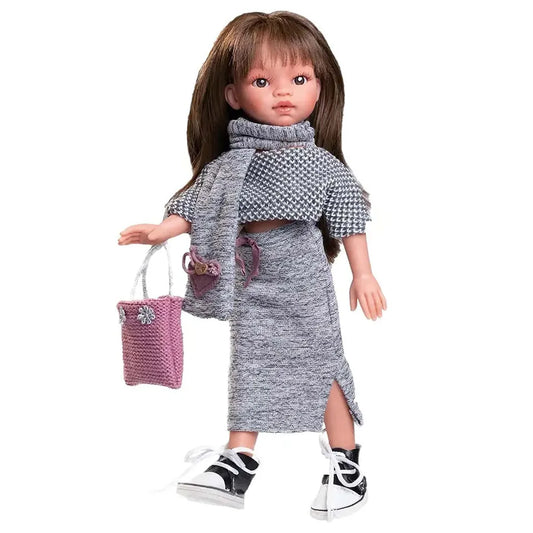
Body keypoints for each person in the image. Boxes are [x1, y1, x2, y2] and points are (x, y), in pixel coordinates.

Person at [118, 11, 386, 521]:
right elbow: (197, 204)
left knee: (320, 360)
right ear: (234, 95)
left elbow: (350, 214)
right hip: (250, 277)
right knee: (250, 363)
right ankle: (238, 460)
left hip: (301, 274)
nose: (283, 92)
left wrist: (364, 273)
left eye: (299, 79)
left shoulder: (321, 164)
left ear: (320, 87)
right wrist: (162, 229)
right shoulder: (229, 165)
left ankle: (347, 462)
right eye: (262, 81)